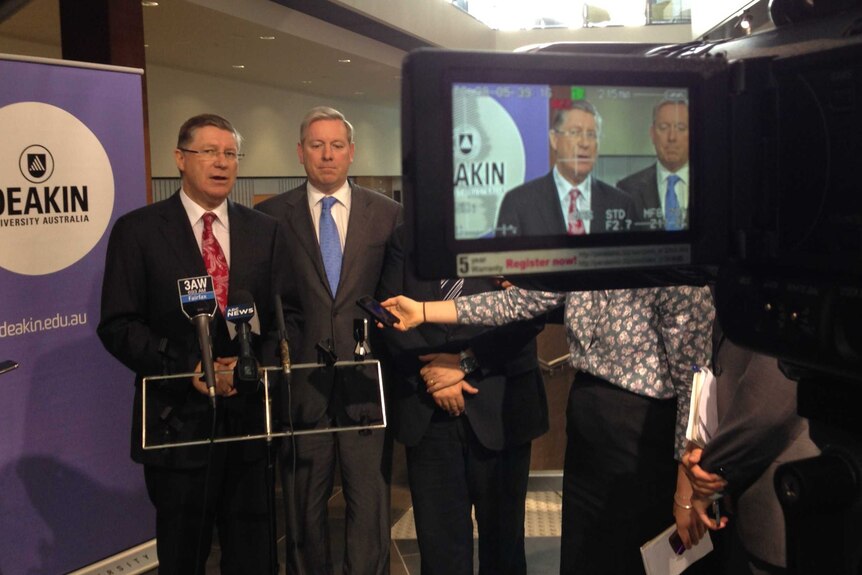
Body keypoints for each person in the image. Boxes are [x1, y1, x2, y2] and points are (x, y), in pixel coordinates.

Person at [381, 284, 714, 575]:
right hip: (588, 438)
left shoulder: (673, 271)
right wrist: (422, 311)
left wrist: (687, 494)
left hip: (643, 440)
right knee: (582, 560)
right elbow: (515, 303)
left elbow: (694, 387)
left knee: (633, 558)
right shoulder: (585, 258)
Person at [98, 114, 288, 575]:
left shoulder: (264, 230)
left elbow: (285, 318)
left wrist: (253, 365)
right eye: (208, 152)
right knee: (183, 559)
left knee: (253, 557)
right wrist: (193, 368)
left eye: (230, 154)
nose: (221, 163)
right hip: (177, 427)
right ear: (180, 159)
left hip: (248, 426)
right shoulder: (138, 231)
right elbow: (119, 324)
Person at [256, 106, 401, 575]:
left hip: (367, 381)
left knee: (370, 503)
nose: (327, 155)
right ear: (300, 152)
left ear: (352, 153)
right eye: (316, 145)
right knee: (302, 506)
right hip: (301, 382)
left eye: (337, 145)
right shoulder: (269, 217)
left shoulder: (389, 216)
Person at [377, 226, 548, 575]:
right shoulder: (405, 237)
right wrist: (435, 377)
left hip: (500, 405)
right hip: (428, 413)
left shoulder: (515, 231)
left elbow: (530, 313)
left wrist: (466, 364)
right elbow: (386, 313)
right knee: (440, 554)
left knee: (504, 550)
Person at [682, 325, 820, 575]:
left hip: (789, 511)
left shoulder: (790, 290)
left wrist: (712, 473)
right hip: (753, 501)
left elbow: (769, 404)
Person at [495, 99, 637, 237]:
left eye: (591, 135)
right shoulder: (518, 203)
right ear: (554, 139)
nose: (585, 143)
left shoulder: (622, 204)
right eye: (575, 132)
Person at [617, 99, 690, 230]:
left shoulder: (712, 186)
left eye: (681, 128)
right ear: (652, 134)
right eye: (664, 128)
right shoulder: (627, 190)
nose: (672, 137)